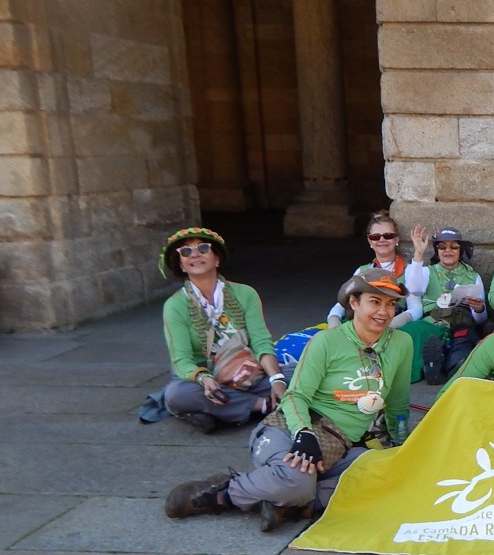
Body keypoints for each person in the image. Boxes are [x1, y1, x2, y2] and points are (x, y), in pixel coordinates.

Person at [165, 273, 413, 532]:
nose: (384, 312)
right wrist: (303, 434)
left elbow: (397, 400)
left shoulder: (401, 343)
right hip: (290, 430)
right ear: (354, 302)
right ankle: (221, 493)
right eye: (375, 302)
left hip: (339, 446)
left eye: (390, 304)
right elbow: (295, 395)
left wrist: (400, 442)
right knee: (298, 483)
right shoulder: (326, 341)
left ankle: (287, 504)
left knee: (387, 473)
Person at [158, 227, 286, 433]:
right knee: (176, 395)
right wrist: (204, 378)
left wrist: (276, 379)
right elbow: (181, 360)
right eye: (186, 251)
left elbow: (261, 341)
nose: (195, 255)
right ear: (181, 265)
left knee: (301, 372)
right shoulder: (175, 306)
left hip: (248, 372)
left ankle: (220, 411)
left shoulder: (245, 293)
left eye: (203, 248)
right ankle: (263, 405)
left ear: (216, 259)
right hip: (205, 381)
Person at [405, 225, 488, 385]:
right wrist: (419, 253)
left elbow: (480, 320)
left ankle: (449, 366)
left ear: (461, 250)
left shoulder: (473, 276)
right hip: (433, 323)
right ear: (437, 251)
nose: (448, 251)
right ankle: (432, 366)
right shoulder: (427, 272)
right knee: (420, 334)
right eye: (442, 247)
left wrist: (479, 309)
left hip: (461, 326)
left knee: (461, 350)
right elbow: (413, 289)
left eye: (454, 247)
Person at [326, 210, 423, 329]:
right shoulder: (362, 271)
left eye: (388, 235)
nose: (382, 240)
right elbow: (342, 304)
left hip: (395, 326)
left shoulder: (409, 270)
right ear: (370, 241)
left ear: (396, 239)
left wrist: (394, 323)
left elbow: (416, 308)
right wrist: (334, 319)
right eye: (376, 237)